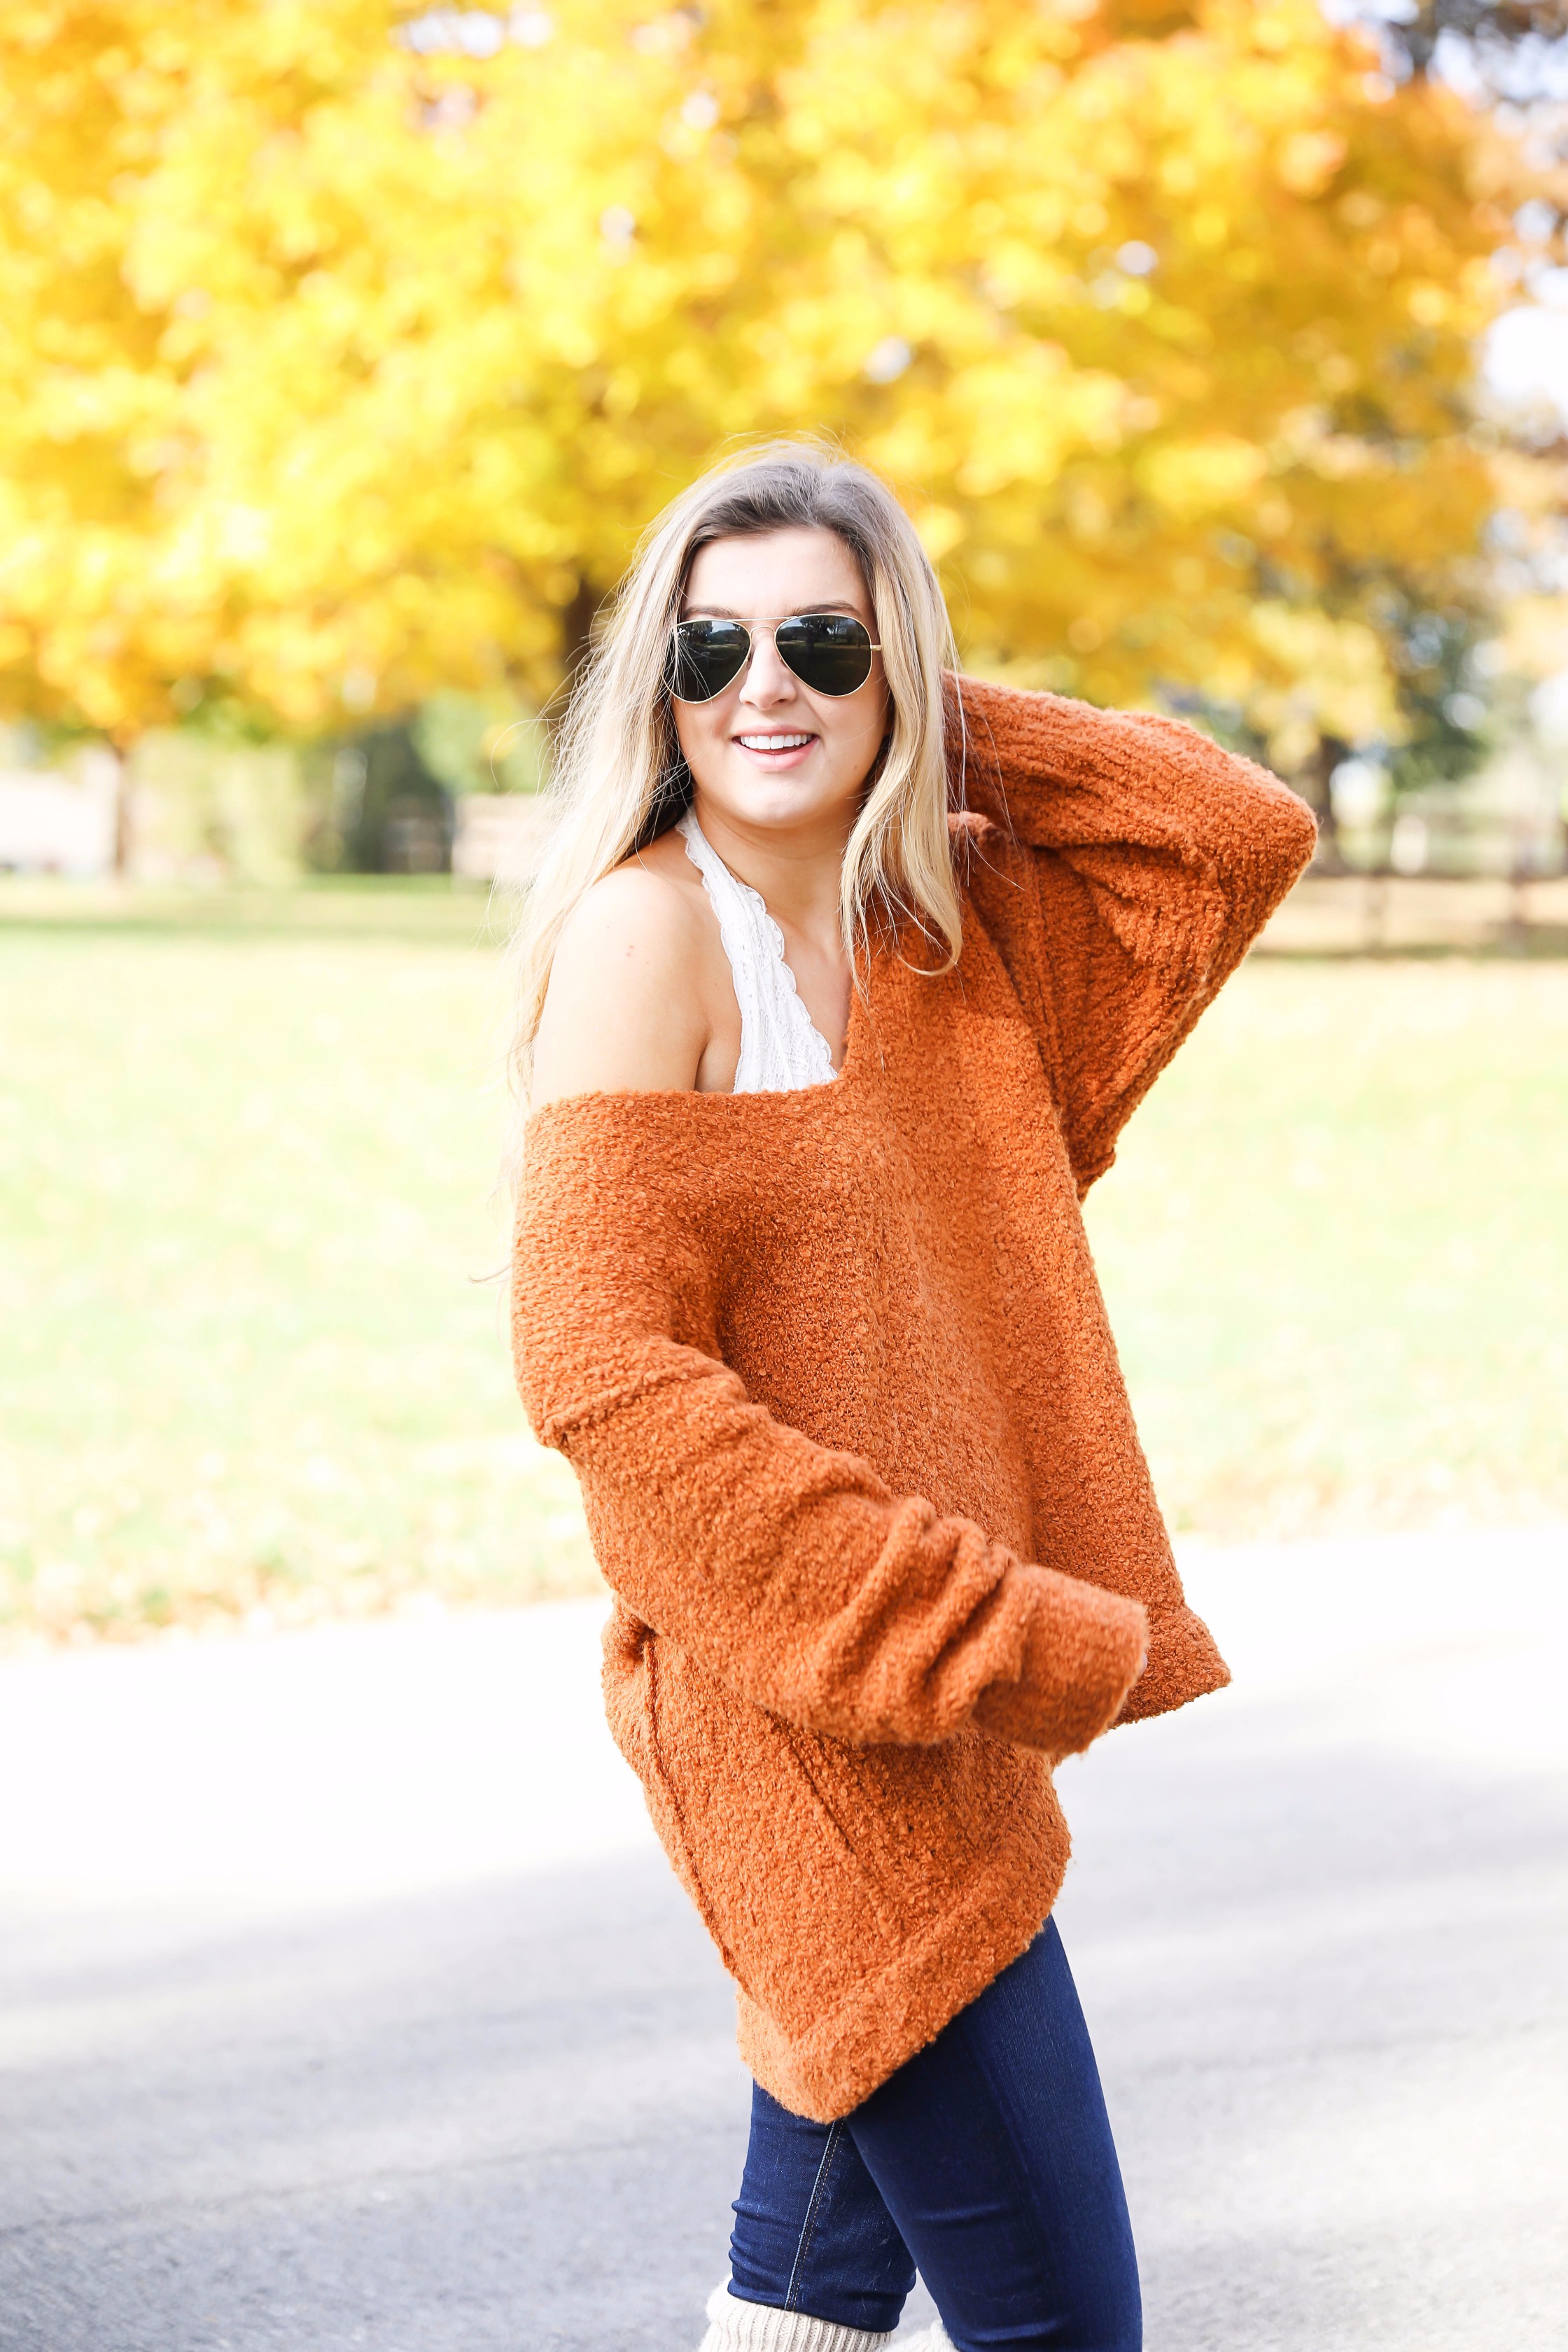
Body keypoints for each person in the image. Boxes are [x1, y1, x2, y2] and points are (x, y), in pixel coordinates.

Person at [507, 442, 1316, 2352]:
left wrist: (933, 719)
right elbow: (602, 1376)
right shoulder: (649, 935)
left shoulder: (946, 933)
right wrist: (988, 1629)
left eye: (821, 642)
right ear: (657, 687)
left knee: (803, 2305)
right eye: (707, 650)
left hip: (939, 1714)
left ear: (904, 673)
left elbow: (1227, 838)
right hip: (815, 1720)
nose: (761, 687)